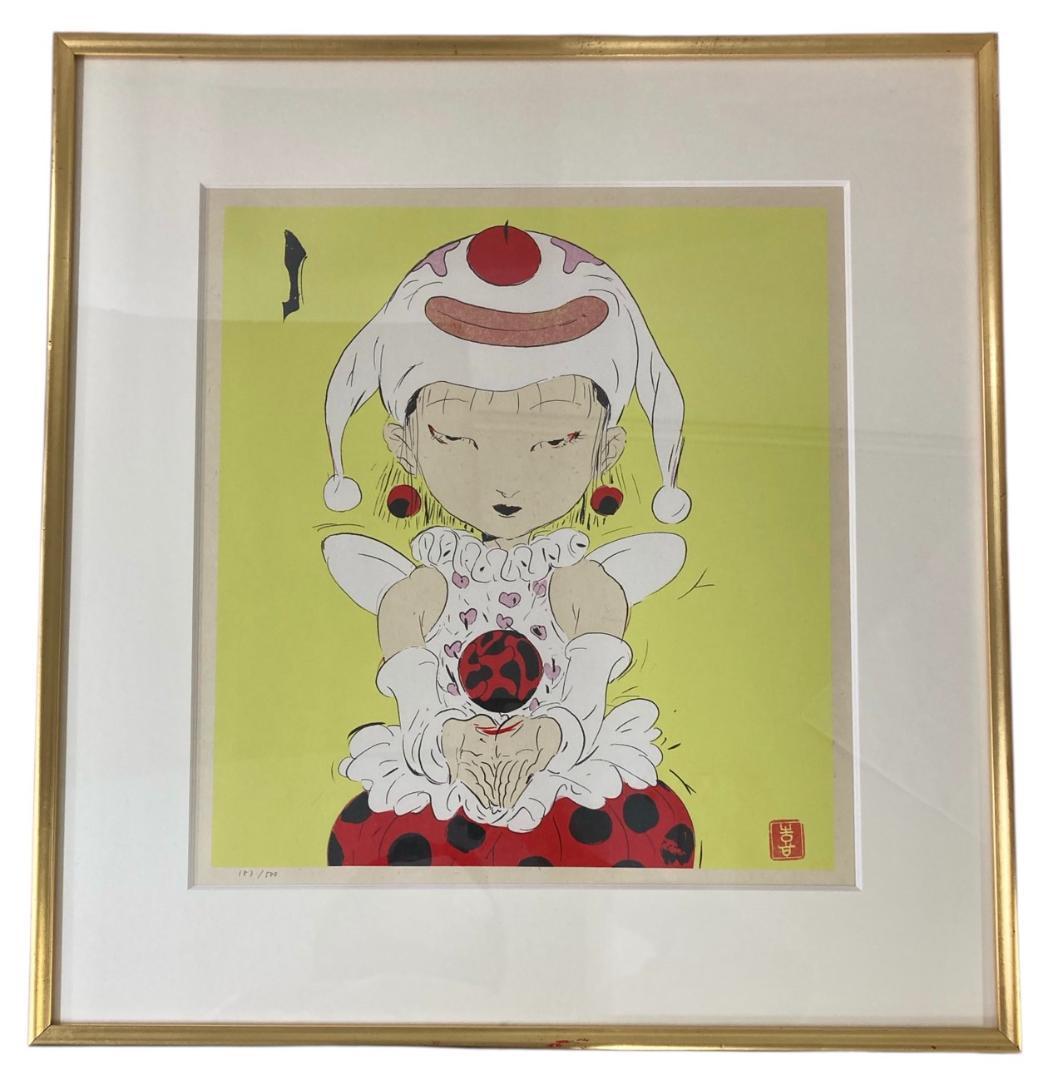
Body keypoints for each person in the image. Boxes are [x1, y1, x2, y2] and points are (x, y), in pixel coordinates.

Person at [321, 224, 696, 868]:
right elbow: (413, 692)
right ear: (405, 447)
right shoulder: (421, 588)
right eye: (454, 438)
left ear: (606, 449)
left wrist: (548, 737)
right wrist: (446, 739)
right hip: (444, 774)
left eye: (556, 440)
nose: (505, 480)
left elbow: (586, 694)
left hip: (566, 775)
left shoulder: (582, 583)